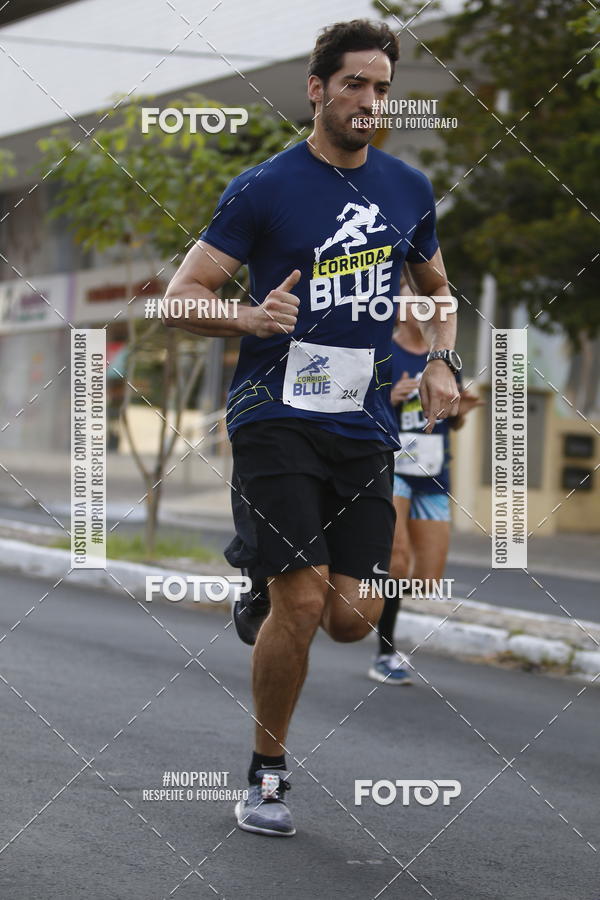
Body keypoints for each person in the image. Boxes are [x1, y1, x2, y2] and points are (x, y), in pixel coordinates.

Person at [163, 18, 460, 838]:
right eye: (356, 84)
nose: (370, 101)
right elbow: (180, 297)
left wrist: (443, 360)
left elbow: (437, 287)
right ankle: (267, 773)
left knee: (351, 617)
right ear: (318, 88)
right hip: (275, 415)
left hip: (363, 423)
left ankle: (259, 580)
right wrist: (252, 318)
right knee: (301, 605)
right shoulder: (264, 187)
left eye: (383, 89)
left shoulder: (408, 189)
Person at [368, 293, 481, 685]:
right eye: (412, 302)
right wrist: (389, 397)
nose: (422, 309)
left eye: (427, 304)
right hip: (393, 466)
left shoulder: (445, 361)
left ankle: (359, 582)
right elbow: (356, 406)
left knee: (426, 578)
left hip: (432, 474)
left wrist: (459, 412)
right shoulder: (382, 350)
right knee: (396, 560)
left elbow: (451, 422)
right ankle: (384, 652)